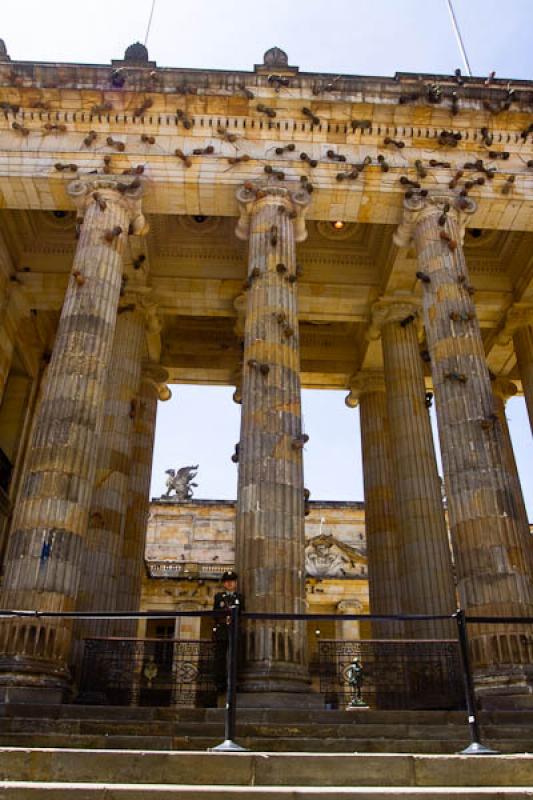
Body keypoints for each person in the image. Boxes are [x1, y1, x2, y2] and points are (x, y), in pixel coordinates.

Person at [212, 570, 244, 692]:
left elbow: (242, 612)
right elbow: (214, 613)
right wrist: (223, 618)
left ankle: (235, 682)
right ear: (224, 584)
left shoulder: (240, 597)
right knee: (220, 657)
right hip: (222, 629)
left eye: (232, 581)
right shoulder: (219, 597)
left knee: (235, 657)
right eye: (227, 582)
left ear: (235, 583)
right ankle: (220, 683)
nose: (230, 584)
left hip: (234, 629)